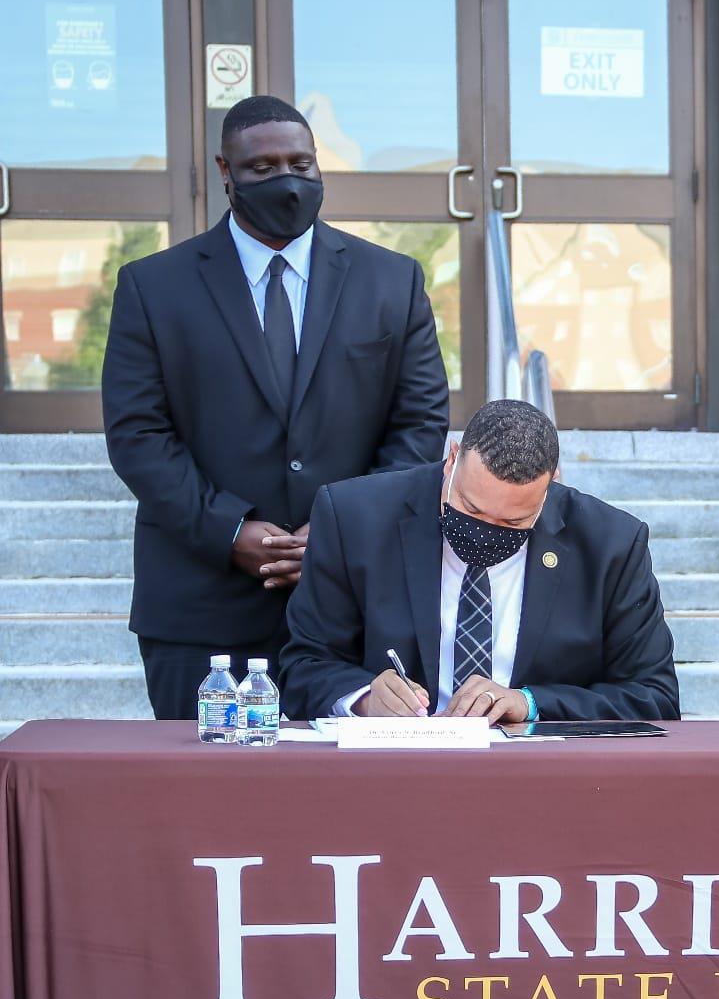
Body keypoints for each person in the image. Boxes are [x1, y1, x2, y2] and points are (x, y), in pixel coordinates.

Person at [102, 94, 449, 718]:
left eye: (301, 163)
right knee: (208, 807)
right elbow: (138, 434)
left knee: (351, 812)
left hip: (354, 606)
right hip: (201, 609)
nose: (286, 180)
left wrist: (343, 529)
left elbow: (419, 423)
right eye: (262, 167)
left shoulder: (392, 281)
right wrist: (231, 530)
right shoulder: (153, 287)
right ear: (225, 172)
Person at [279, 400, 679, 724]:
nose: (486, 530)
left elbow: (654, 697)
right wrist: (365, 698)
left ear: (551, 486)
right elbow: (304, 667)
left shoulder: (610, 544)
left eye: (512, 522)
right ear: (452, 460)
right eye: (470, 508)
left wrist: (529, 704)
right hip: (394, 773)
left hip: (541, 781)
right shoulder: (355, 517)